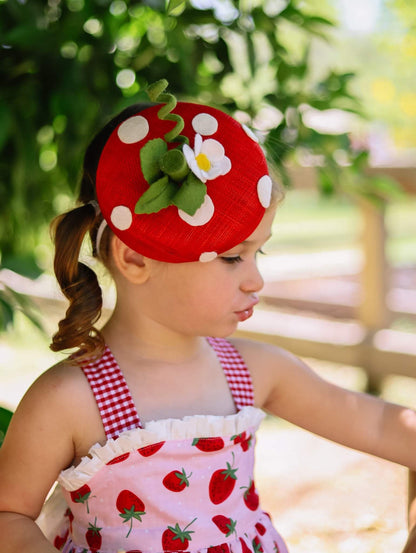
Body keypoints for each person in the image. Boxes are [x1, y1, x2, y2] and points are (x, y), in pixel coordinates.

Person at [0, 79, 415, 553]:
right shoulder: (69, 400)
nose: (256, 279)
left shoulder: (254, 370)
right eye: (234, 257)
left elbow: (382, 426)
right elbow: (9, 514)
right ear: (135, 258)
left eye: (261, 253)